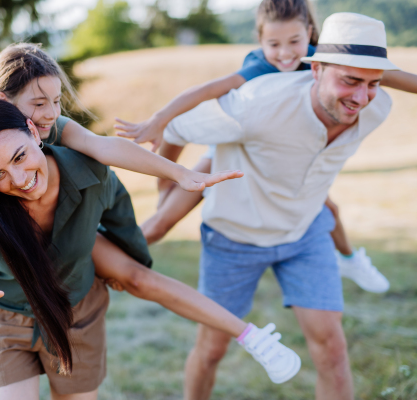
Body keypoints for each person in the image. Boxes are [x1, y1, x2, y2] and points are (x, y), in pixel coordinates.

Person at [0, 45, 299, 399]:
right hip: (8, 308)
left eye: (56, 101)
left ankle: (251, 336)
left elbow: (109, 148)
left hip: (73, 286)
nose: (50, 112)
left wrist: (181, 174)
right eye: (39, 103)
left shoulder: (60, 134)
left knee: (138, 276)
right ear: (6, 103)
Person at [121, 12, 408, 400]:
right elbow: (173, 129)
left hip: (305, 233)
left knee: (333, 351)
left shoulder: (377, 107)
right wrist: (165, 192)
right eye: (350, 81)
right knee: (212, 350)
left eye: (373, 84)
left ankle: (350, 258)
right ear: (316, 68)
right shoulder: (253, 105)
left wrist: (366, 83)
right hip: (233, 238)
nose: (361, 97)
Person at [116, 0, 417, 294]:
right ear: (260, 41)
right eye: (273, 44)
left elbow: (393, 77)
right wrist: (161, 142)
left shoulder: (324, 58)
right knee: (160, 223)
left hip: (285, 157)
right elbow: (206, 92)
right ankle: (101, 260)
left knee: (329, 209)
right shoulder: (260, 66)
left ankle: (350, 260)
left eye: (294, 41)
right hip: (226, 147)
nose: (285, 54)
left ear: (309, 34)